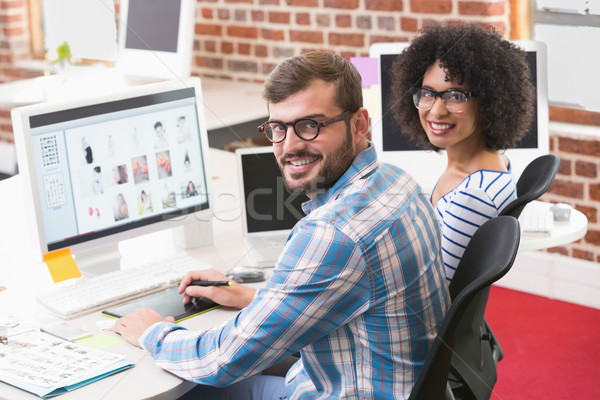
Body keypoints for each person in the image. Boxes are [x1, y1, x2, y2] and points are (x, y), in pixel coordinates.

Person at [112, 51, 449, 399]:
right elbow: (340, 293)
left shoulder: (333, 233)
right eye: (277, 128)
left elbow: (222, 360)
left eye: (310, 125)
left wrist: (152, 332)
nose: (289, 146)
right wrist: (252, 297)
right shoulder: (399, 183)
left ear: (359, 124)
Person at [389, 23, 535, 282]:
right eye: (427, 93)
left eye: (455, 96)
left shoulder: (470, 199)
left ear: (490, 101)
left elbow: (435, 297)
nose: (435, 111)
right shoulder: (493, 161)